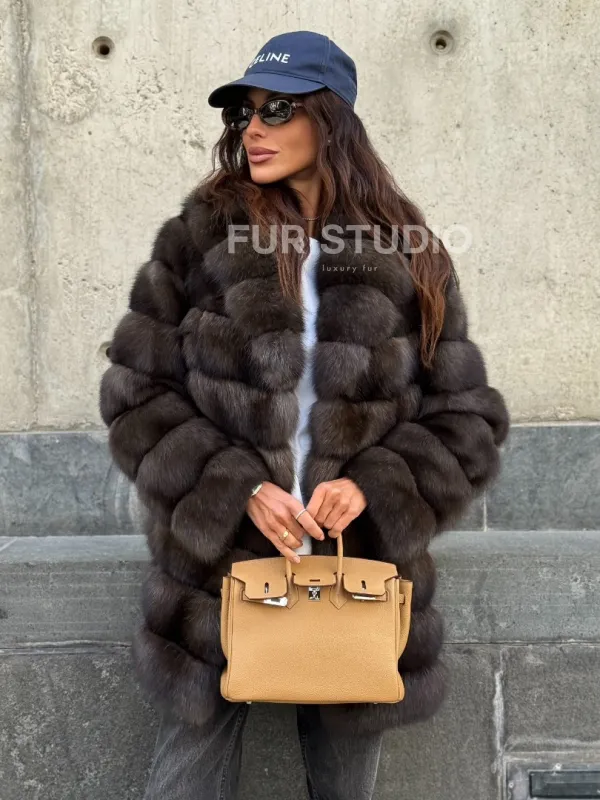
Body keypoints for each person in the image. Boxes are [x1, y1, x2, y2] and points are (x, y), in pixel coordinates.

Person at [99, 29, 510, 800]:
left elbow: (467, 417)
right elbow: (135, 394)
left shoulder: (407, 249)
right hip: (216, 568)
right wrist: (239, 487)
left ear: (330, 118)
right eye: (243, 114)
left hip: (358, 566)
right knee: (184, 785)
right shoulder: (200, 236)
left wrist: (374, 485)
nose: (253, 129)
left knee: (343, 787)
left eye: (276, 110)